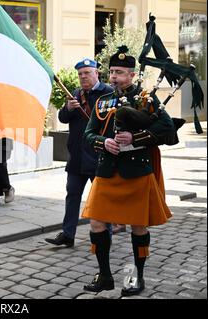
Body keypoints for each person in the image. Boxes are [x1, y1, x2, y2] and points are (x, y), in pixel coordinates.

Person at [81, 46, 175, 296]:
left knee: (138, 226)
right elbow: (88, 134)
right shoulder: (102, 101)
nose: (113, 77)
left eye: (120, 72)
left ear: (132, 75)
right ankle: (105, 276)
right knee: (96, 223)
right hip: (107, 171)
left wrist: (135, 138)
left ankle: (136, 277)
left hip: (137, 171)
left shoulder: (146, 98)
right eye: (111, 71)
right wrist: (104, 142)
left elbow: (168, 130)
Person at [45, 58, 113, 248]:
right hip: (76, 157)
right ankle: (68, 234)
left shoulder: (108, 93)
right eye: (80, 74)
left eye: (87, 73)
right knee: (72, 195)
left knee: (101, 200)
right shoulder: (75, 94)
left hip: (98, 156)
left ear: (96, 73)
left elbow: (110, 123)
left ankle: (105, 234)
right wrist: (68, 108)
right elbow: (62, 118)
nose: (83, 77)